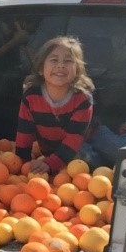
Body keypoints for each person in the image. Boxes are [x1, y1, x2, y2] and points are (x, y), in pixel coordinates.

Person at [14, 36, 94, 175]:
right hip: (53, 148)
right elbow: (24, 132)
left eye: (68, 61)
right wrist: (21, 164)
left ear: (77, 70)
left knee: (104, 153)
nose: (61, 65)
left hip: (88, 139)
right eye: (54, 60)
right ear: (40, 69)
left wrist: (49, 164)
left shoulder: (83, 99)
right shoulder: (31, 96)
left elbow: (73, 140)